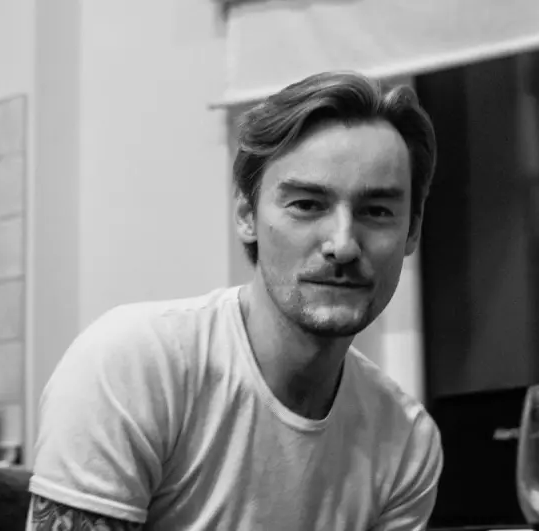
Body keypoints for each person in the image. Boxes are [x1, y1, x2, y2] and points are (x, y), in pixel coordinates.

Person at [27, 70, 443, 530]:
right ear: (247, 215)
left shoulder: (406, 443)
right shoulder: (133, 365)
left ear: (412, 231)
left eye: (377, 211)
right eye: (307, 205)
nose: (343, 244)